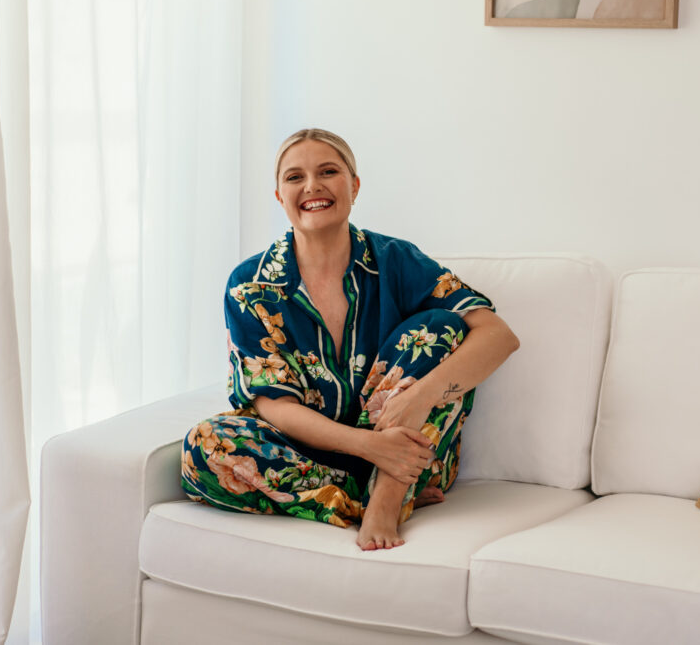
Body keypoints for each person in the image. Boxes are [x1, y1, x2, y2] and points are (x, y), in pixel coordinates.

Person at [180, 129, 519, 550]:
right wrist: (370, 447)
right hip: (317, 455)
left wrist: (422, 396)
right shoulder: (250, 284)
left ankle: (390, 495)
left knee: (439, 327)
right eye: (294, 177)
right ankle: (365, 497)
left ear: (354, 186)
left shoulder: (396, 258)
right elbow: (274, 405)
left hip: (412, 449)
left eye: (328, 171)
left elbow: (498, 336)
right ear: (278, 195)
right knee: (205, 445)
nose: (312, 186)